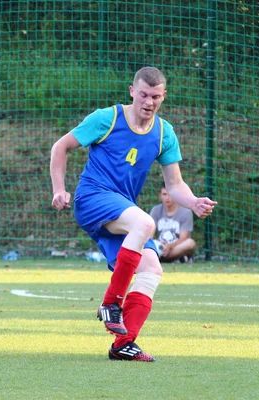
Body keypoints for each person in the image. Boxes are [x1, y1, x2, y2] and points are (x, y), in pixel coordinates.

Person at [50, 67, 217, 362]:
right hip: (91, 198)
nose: (149, 101)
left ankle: (123, 344)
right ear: (132, 91)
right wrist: (59, 189)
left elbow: (175, 184)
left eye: (155, 96)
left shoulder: (164, 132)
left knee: (152, 269)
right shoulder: (108, 118)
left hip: (121, 214)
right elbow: (60, 146)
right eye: (143, 94)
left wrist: (193, 202)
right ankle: (111, 304)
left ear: (163, 96)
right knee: (145, 222)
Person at [150, 182, 196, 263]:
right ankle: (176, 259)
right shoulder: (156, 210)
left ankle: (159, 259)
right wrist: (159, 244)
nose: (168, 198)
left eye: (170, 195)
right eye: (164, 194)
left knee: (190, 243)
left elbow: (184, 238)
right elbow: (149, 235)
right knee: (146, 243)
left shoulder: (186, 212)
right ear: (160, 195)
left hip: (176, 247)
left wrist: (170, 246)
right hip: (161, 246)